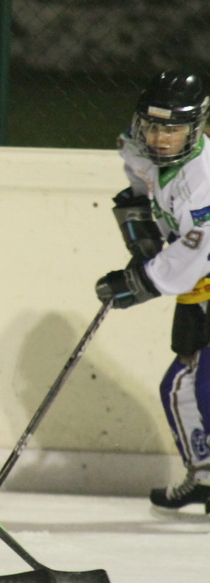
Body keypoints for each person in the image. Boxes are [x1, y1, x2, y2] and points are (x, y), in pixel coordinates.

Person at [94, 70, 210, 515]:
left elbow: (195, 252)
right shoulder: (139, 147)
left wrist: (141, 282)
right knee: (179, 388)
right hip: (200, 286)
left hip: (198, 273)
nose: (160, 138)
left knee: (207, 385)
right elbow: (143, 191)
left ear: (194, 129)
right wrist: (141, 232)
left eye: (172, 129)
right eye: (153, 126)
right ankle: (205, 477)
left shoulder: (203, 180)